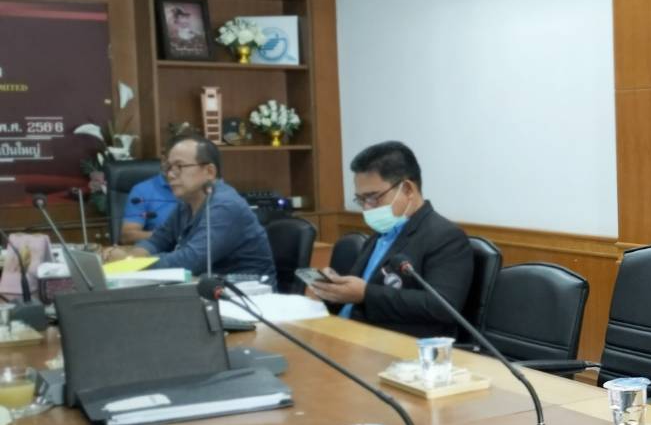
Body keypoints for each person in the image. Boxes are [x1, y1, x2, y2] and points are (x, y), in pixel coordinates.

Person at [310, 141, 472, 339]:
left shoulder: (445, 237)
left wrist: (366, 294)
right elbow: (356, 294)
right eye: (361, 200)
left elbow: (441, 306)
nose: (367, 208)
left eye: (373, 197)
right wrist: (333, 289)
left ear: (408, 189)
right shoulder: (381, 233)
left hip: (393, 344)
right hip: (348, 333)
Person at [103, 136, 276, 284]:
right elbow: (158, 240)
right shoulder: (186, 203)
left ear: (209, 171)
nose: (170, 175)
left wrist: (131, 263)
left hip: (246, 294)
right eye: (169, 168)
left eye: (179, 166)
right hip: (205, 287)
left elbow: (189, 261)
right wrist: (132, 258)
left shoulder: (225, 206)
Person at [119, 170, 179, 245]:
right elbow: (127, 236)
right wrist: (168, 236)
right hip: (160, 248)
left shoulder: (191, 191)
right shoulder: (142, 191)